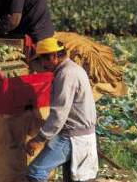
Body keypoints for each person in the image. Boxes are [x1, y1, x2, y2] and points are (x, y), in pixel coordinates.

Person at [25, 38, 98, 182]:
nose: (42, 65)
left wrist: (40, 139)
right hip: (80, 134)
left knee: (35, 172)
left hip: (72, 137)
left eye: (43, 60)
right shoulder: (72, 68)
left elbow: (59, 113)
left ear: (54, 56)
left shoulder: (66, 75)